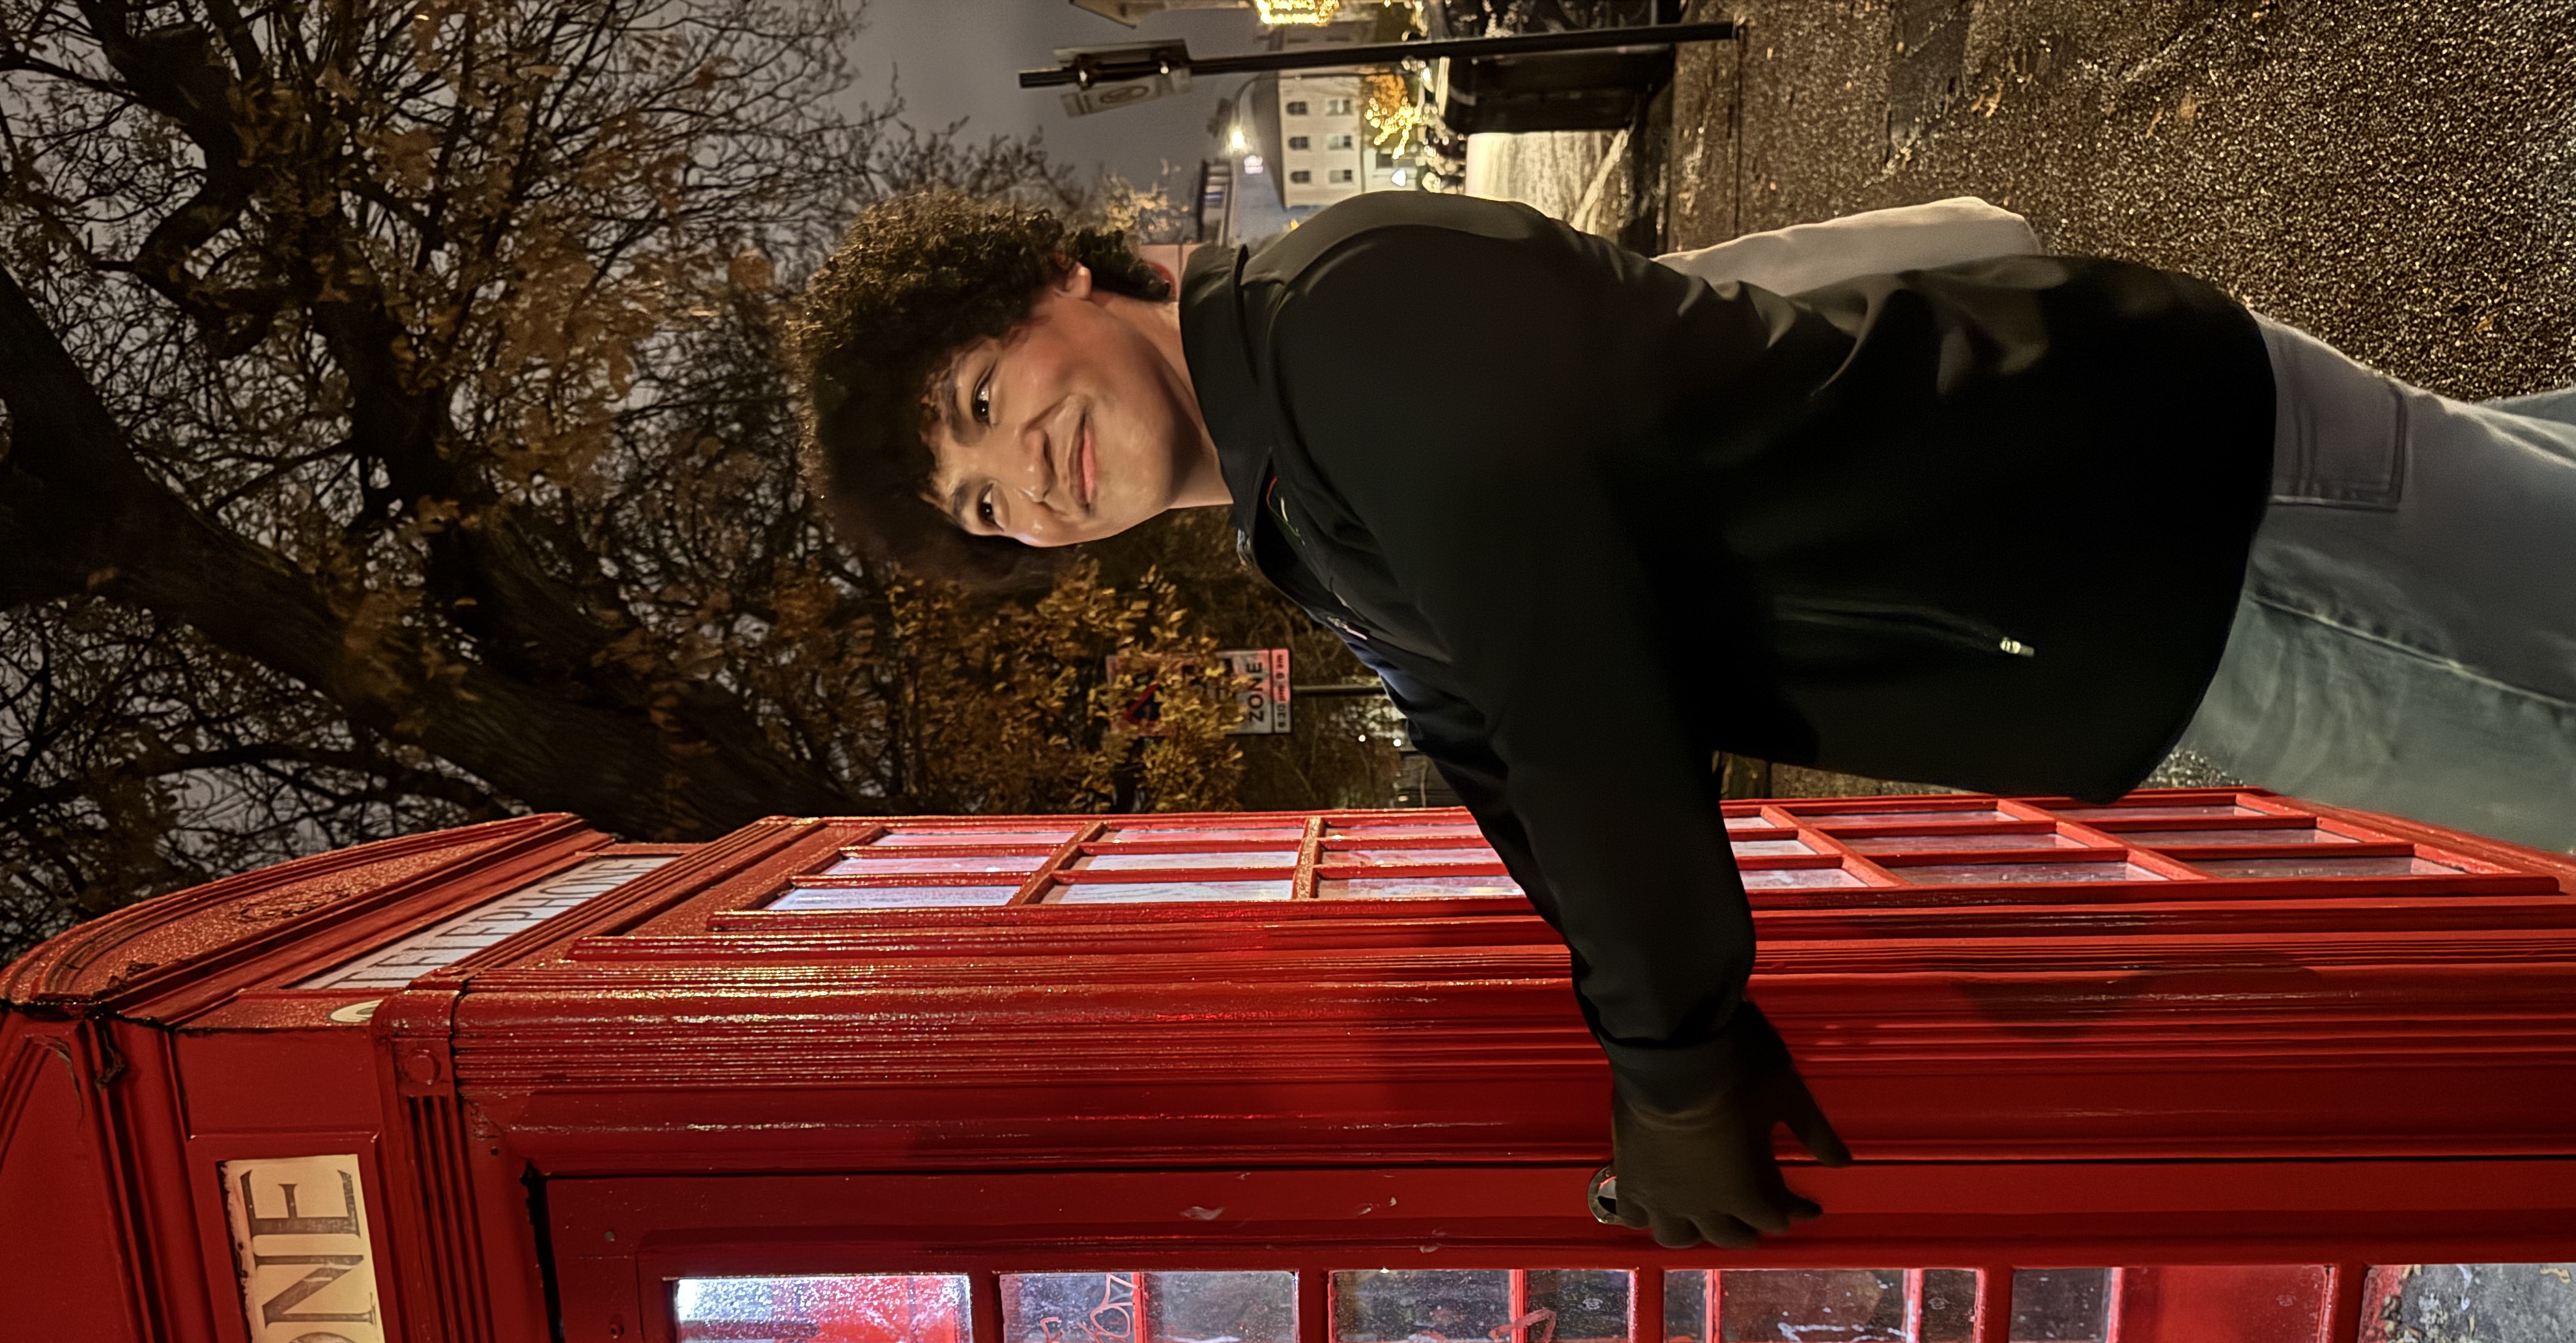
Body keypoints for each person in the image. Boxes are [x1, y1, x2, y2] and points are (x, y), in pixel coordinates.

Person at [790, 189, 2576, 1249]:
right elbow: (1503, 763)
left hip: (2169, 537)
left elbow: (1576, 688)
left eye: (979, 398)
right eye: (978, 510)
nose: (1018, 473)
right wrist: (1669, 1029)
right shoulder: (1312, 523)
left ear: (1055, 288)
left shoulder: (1343, 327)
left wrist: (1674, 1065)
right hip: (2130, 558)